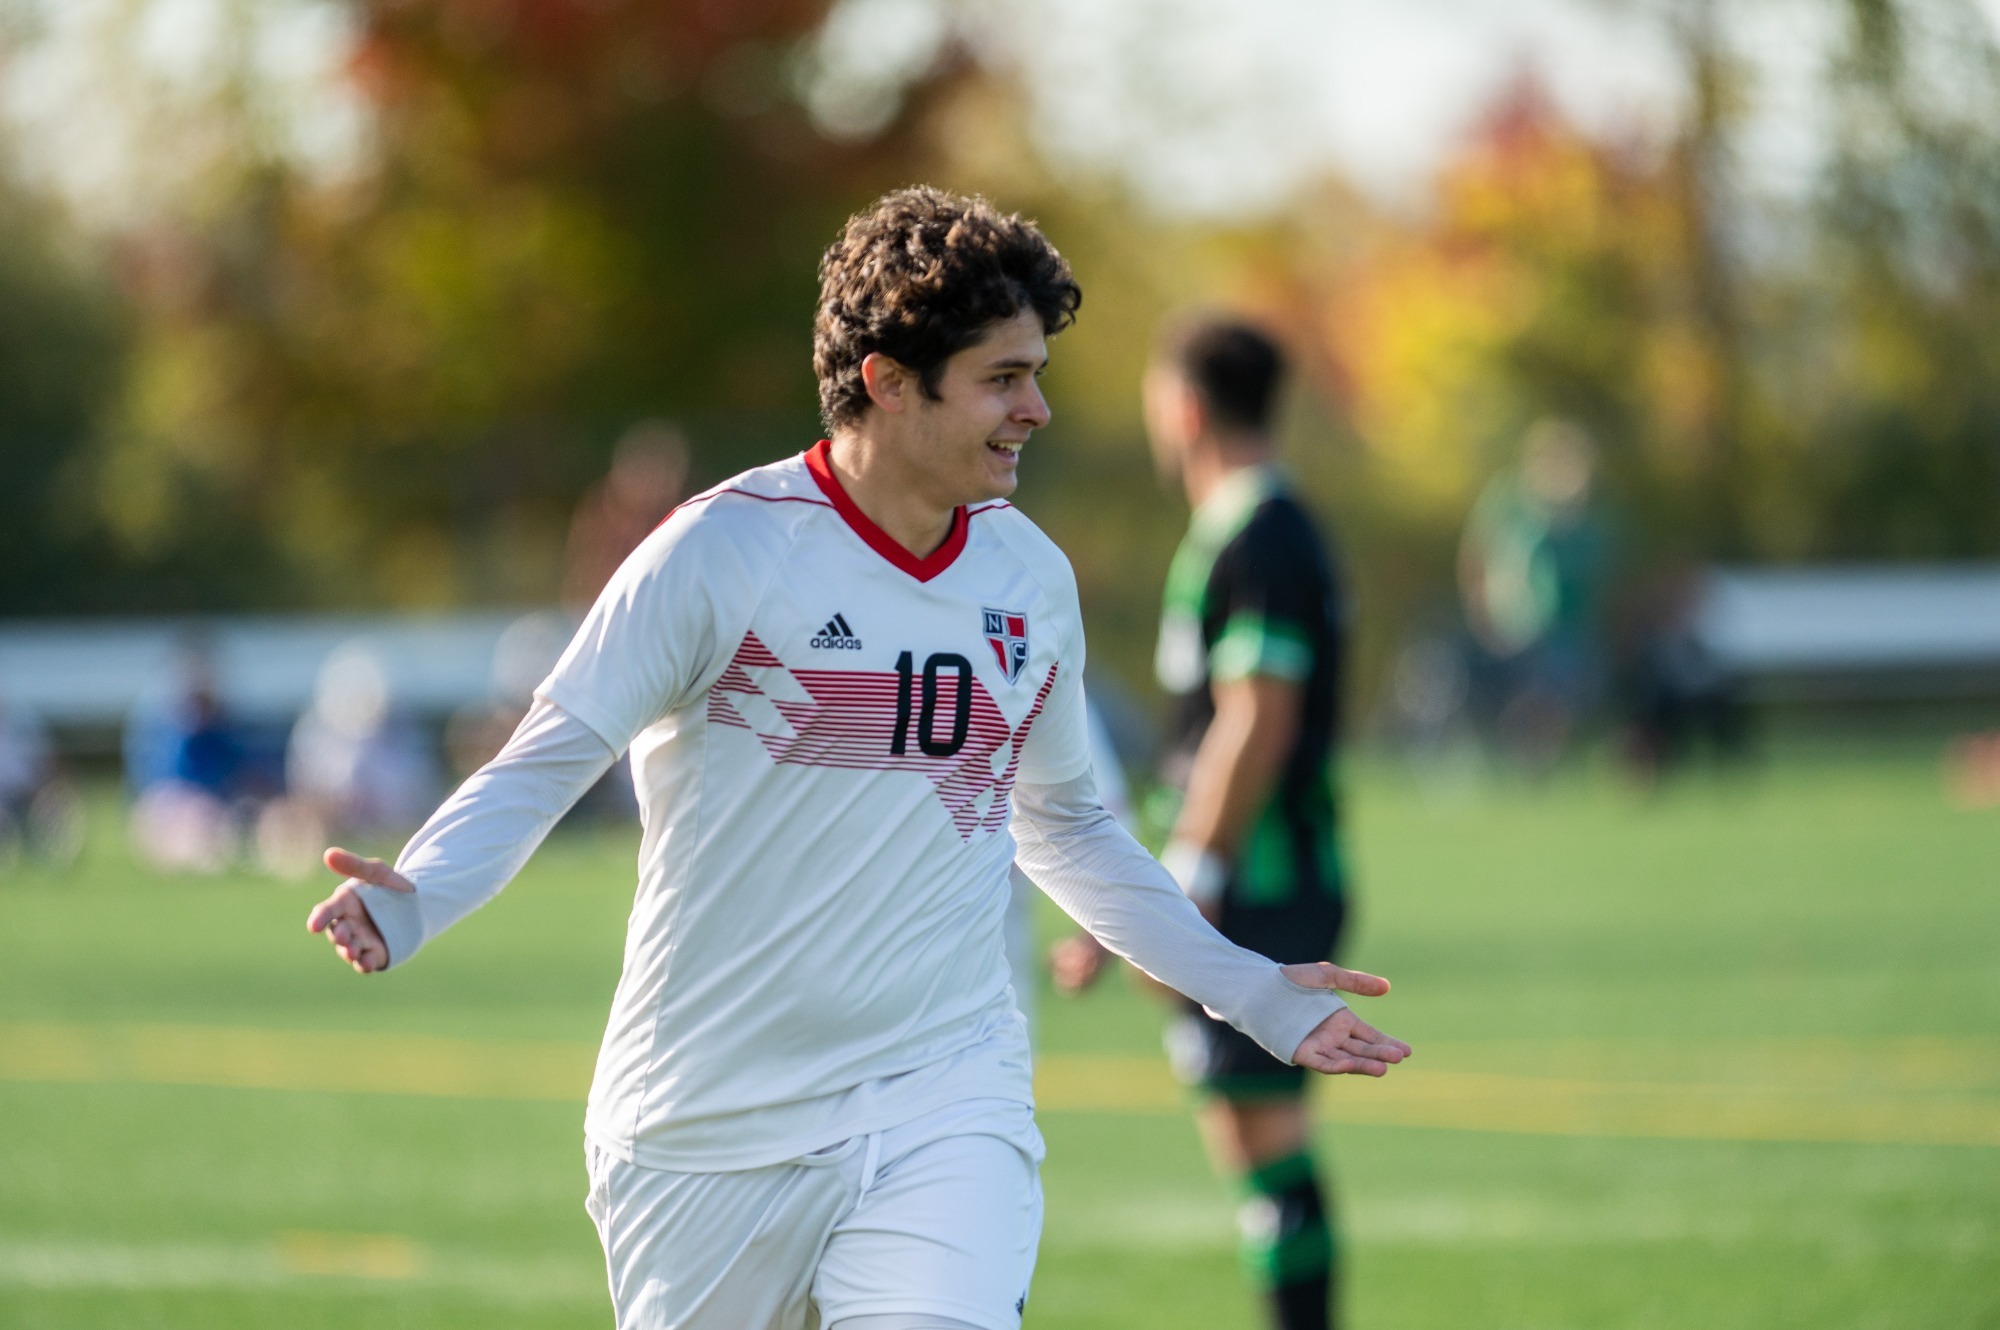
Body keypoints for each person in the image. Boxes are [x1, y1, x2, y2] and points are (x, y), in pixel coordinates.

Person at [306, 189, 1408, 1330]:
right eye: (1001, 378)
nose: (1035, 409)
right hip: (704, 1128)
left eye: (1037, 375)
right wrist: (417, 894)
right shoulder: (721, 553)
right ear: (886, 380)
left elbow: (1066, 827)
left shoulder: (1028, 579)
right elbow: (549, 757)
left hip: (944, 1102)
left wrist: (1251, 992)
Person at [1053, 316, 1355, 1330]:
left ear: (1182, 408)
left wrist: (1194, 876)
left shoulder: (1261, 532)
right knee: (1251, 1146)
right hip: (1241, 875)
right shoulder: (1248, 527)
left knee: (1265, 1143)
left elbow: (1255, 717)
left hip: (1260, 879)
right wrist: (1130, 909)